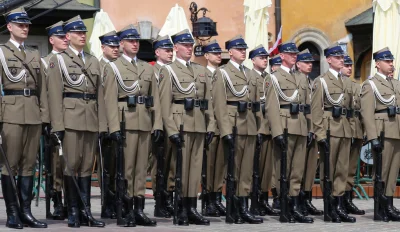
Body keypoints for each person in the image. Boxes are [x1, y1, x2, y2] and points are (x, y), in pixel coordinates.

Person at [47, 15, 107, 228]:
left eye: (84, 33)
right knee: (70, 167)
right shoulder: (58, 60)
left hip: (91, 119)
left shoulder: (93, 60)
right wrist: (57, 125)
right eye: (78, 33)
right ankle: (73, 210)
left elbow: (100, 95)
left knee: (85, 170)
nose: (82, 36)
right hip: (70, 119)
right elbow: (54, 96)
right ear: (68, 36)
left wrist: (102, 124)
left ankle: (86, 211)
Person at [102, 24, 162, 227]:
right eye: (131, 41)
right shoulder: (113, 67)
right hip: (124, 122)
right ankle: (124, 209)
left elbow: (155, 100)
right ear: (121, 44)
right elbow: (109, 100)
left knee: (140, 170)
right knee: (125, 169)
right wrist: (114, 128)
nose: (135, 44)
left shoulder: (147, 67)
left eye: (137, 41)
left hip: (144, 122)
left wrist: (157, 125)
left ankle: (139, 209)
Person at [158, 29, 215, 226]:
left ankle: (191, 208)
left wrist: (211, 126)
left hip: (199, 122)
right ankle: (180, 208)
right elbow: (165, 104)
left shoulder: (200, 71)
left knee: (195, 169)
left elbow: (209, 101)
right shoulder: (168, 70)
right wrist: (171, 130)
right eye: (185, 45)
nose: (189, 48)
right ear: (176, 48)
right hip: (180, 123)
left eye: (191, 45)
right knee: (180, 169)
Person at [0, 7, 49, 229]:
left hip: (33, 113)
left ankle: (26, 212)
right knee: (9, 165)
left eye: (27, 25)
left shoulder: (34, 54)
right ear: (9, 26)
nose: (25, 28)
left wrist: (45, 118)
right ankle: (12, 213)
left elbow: (43, 90)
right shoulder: (1, 53)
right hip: (10, 112)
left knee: (29, 166)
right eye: (20, 24)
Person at [211, 35, 263, 224]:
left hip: (249, 125)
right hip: (232, 125)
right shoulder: (222, 73)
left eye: (244, 49)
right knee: (233, 169)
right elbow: (219, 104)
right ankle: (232, 208)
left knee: (246, 170)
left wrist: (259, 129)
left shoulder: (251, 74)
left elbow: (256, 105)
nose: (243, 51)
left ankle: (243, 207)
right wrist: (224, 131)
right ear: (230, 52)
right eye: (239, 49)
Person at [266, 42, 312, 223]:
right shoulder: (274, 78)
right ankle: (283, 205)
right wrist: (277, 132)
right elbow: (271, 107)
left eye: (295, 54)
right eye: (290, 54)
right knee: (283, 169)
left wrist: (309, 130)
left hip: (300, 126)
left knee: (297, 170)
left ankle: (294, 205)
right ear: (282, 56)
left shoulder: (301, 78)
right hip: (284, 127)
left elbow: (307, 107)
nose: (294, 56)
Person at [311, 43, 355, 223]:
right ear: (329, 60)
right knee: (328, 170)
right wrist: (320, 135)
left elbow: (350, 109)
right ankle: (329, 207)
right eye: (337, 57)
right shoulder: (321, 81)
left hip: (343, 129)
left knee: (342, 170)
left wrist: (351, 129)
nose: (341, 60)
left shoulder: (345, 81)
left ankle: (338, 205)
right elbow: (316, 111)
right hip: (329, 129)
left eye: (342, 57)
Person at [361, 47, 400, 221]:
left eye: (391, 61)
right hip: (383, 132)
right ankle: (379, 208)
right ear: (377, 64)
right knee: (381, 171)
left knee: (393, 172)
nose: (391, 64)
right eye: (387, 61)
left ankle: (389, 205)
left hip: (396, 130)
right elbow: (367, 113)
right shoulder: (371, 84)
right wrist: (373, 137)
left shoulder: (396, 84)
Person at [41, 20, 69, 221]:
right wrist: (47, 121)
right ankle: (57, 201)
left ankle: (71, 201)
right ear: (52, 40)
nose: (65, 40)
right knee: (56, 163)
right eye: (61, 37)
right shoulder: (45, 62)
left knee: (72, 163)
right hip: (54, 120)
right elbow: (45, 95)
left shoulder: (73, 61)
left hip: (73, 117)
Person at [248, 44, 280, 217]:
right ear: (253, 60)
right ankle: (253, 202)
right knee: (255, 168)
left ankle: (263, 200)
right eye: (261, 58)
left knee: (267, 168)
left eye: (266, 57)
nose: (265, 60)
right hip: (255, 126)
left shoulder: (269, 78)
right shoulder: (249, 76)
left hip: (268, 127)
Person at [295, 49, 323, 216]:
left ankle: (307, 200)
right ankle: (297, 201)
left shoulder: (311, 82)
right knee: (298, 168)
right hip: (301, 129)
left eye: (311, 62)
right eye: (306, 62)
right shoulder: (297, 81)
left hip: (311, 129)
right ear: (298, 64)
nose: (310, 64)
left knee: (310, 167)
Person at [150, 35, 175, 218]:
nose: (170, 53)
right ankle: (160, 201)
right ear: (157, 52)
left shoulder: (174, 70)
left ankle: (168, 198)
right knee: (159, 164)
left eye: (171, 50)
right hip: (158, 123)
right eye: (166, 50)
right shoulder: (153, 71)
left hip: (173, 122)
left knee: (171, 164)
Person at [97, 30, 120, 219]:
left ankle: (117, 202)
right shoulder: (99, 67)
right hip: (105, 125)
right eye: (111, 46)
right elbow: (101, 100)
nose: (115, 49)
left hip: (120, 123)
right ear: (103, 48)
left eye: (116, 46)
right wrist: (103, 126)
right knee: (106, 168)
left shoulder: (119, 66)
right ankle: (107, 204)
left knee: (118, 166)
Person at [202, 39, 226, 217]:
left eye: (220, 53)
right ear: (206, 56)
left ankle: (217, 198)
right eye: (215, 53)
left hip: (222, 124)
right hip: (208, 124)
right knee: (208, 165)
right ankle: (208, 200)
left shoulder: (224, 75)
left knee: (220, 165)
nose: (219, 55)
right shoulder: (202, 74)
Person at [341, 55, 365, 215]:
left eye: (351, 66)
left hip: (356, 129)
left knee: (351, 167)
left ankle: (348, 199)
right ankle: (339, 199)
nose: (349, 68)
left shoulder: (357, 86)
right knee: (340, 166)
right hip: (343, 128)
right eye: (346, 65)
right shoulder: (336, 84)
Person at [268, 53, 282, 209]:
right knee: (272, 165)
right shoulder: (271, 81)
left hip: (281, 125)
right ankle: (275, 195)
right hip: (269, 126)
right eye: (277, 65)